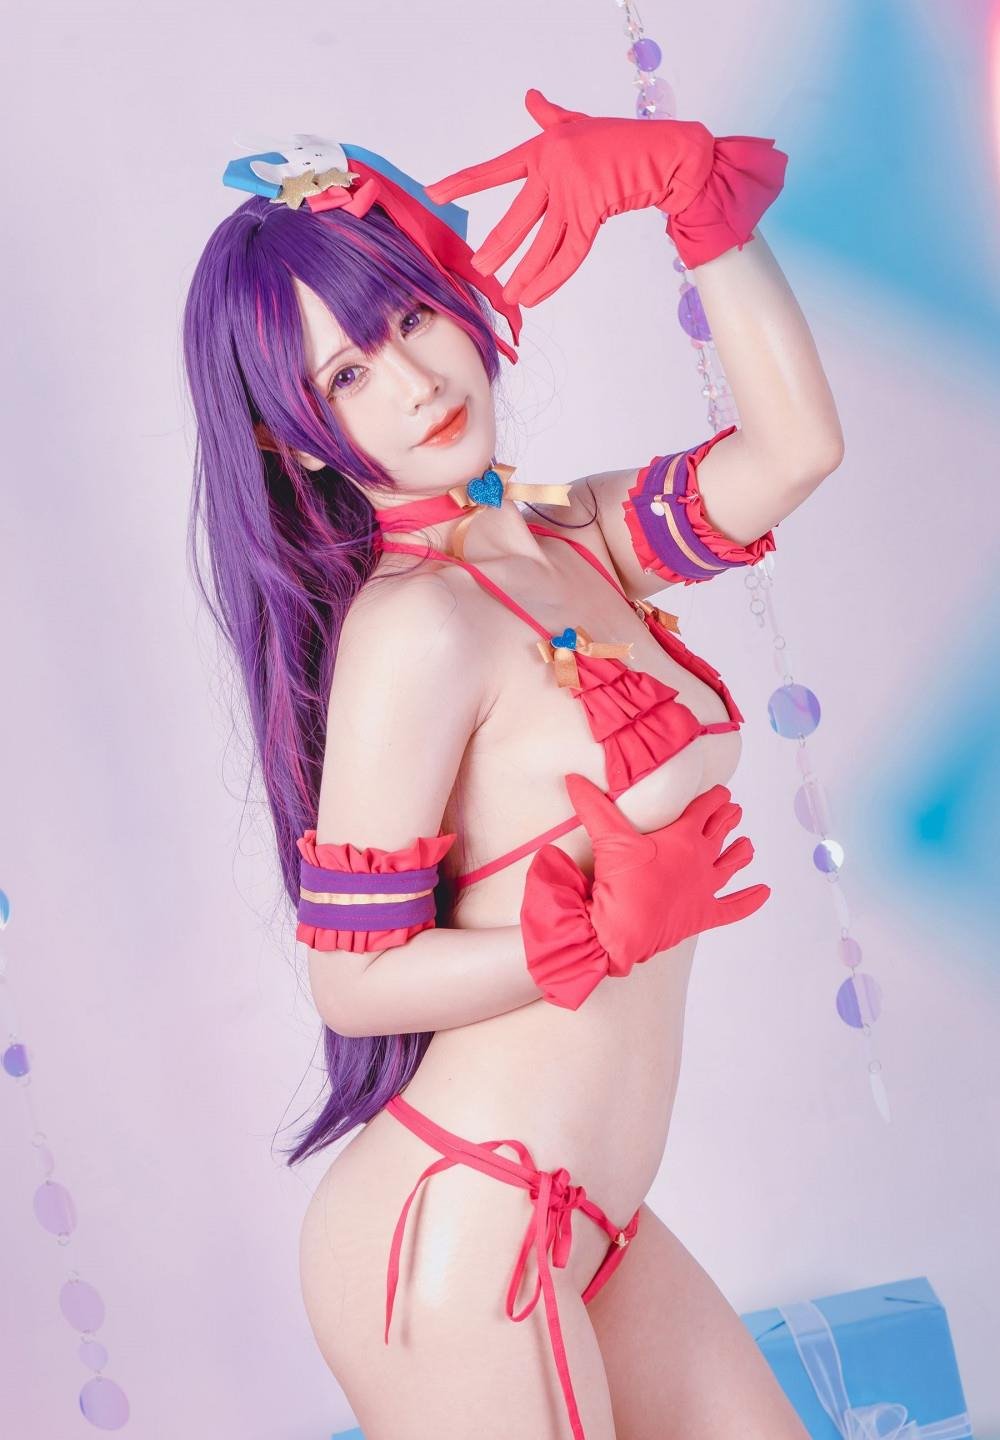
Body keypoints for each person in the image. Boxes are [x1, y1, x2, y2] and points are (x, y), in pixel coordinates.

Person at [184, 91, 843, 1439]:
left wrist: (695, 204)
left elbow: (794, 449)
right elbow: (352, 981)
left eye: (408, 319)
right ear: (287, 436)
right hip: (464, 1224)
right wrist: (588, 938)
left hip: (597, 1215)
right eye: (345, 377)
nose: (417, 383)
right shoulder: (412, 629)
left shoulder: (571, 538)